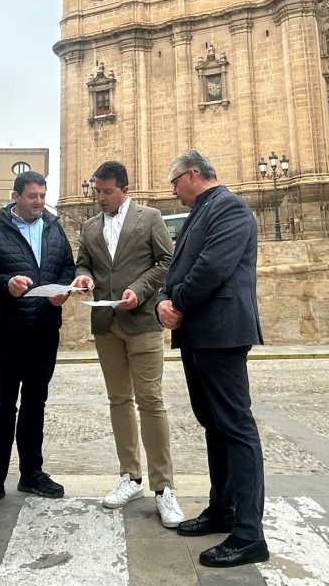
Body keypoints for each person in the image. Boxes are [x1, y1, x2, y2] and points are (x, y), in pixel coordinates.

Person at [157, 149, 269, 568]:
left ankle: (248, 532)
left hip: (221, 332)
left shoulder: (230, 209)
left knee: (236, 427)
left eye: (174, 182)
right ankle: (222, 509)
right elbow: (176, 269)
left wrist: (175, 303)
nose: (172, 191)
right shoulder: (199, 212)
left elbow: (210, 268)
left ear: (191, 175)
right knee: (214, 424)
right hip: (197, 333)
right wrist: (163, 301)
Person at [70, 161, 183, 528]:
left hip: (143, 323)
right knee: (118, 399)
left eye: (106, 191)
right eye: (96, 191)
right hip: (105, 324)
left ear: (123, 189)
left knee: (151, 401)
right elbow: (83, 263)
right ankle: (130, 477)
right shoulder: (88, 227)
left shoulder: (150, 218)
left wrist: (141, 289)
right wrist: (83, 279)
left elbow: (168, 261)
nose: (99, 198)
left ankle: (163, 488)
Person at [0, 171, 76, 510]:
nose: (39, 202)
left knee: (36, 404)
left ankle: (32, 473)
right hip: (10, 331)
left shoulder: (54, 227)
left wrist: (63, 290)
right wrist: (6, 283)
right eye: (33, 196)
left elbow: (68, 269)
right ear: (16, 196)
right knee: (4, 405)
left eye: (43, 195)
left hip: (45, 329)